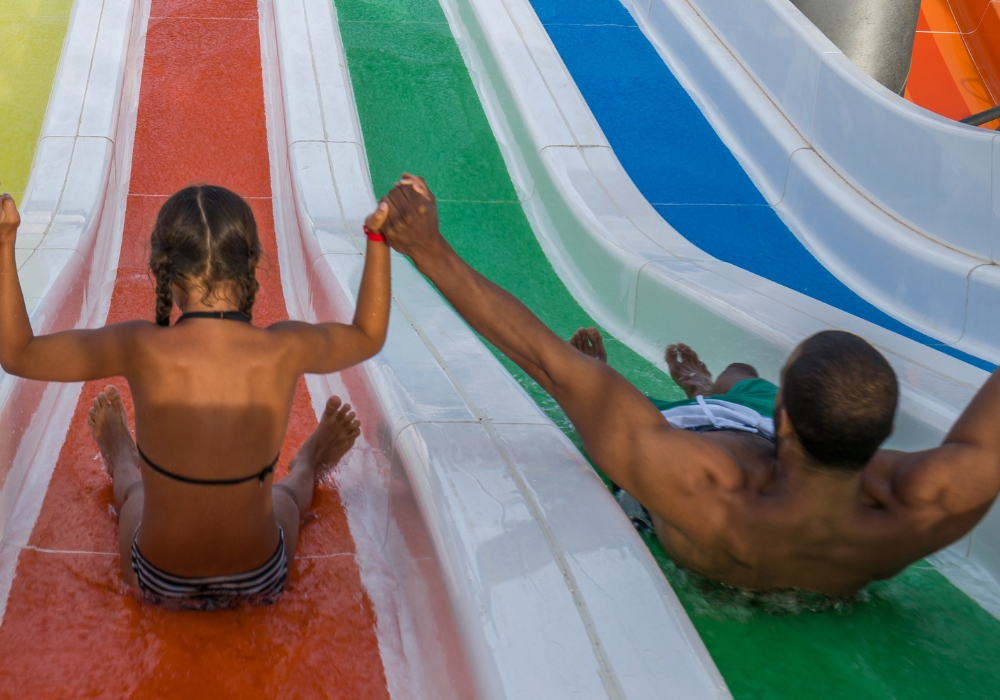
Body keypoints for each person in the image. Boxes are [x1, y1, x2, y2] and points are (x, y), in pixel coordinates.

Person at [375, 174, 1000, 596]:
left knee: (601, 398)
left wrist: (429, 249)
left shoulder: (706, 491)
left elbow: (544, 360)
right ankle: (712, 388)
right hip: (780, 446)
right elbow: (985, 446)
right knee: (742, 377)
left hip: (700, 446)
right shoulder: (922, 507)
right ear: (885, 433)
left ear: (784, 419)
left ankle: (690, 393)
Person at [0, 184, 392, 609]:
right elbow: (367, 335)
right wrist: (377, 239)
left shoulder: (139, 346)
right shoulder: (285, 347)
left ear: (162, 270)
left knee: (135, 493)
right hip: (261, 576)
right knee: (286, 497)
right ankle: (309, 463)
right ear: (252, 264)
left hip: (157, 578)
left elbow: (19, 354)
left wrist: (4, 244)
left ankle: (121, 458)